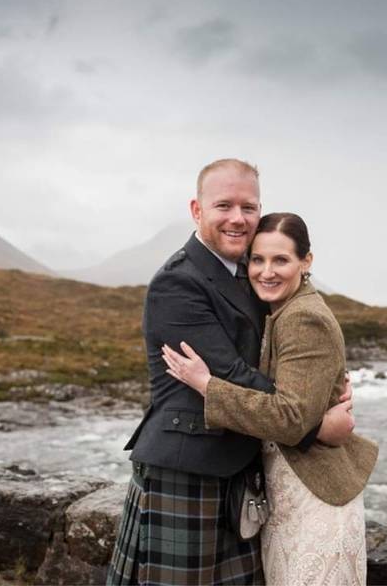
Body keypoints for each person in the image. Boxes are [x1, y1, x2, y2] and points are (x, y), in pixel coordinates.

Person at [107, 160, 356, 586]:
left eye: (249, 206)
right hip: (188, 469)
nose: (238, 218)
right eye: (224, 205)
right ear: (197, 209)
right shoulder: (178, 282)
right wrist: (314, 423)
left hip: (237, 466)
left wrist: (318, 386)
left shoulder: (248, 270)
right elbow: (233, 373)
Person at [163, 212, 378, 586]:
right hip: (290, 498)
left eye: (281, 260)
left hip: (314, 501)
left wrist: (207, 386)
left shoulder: (302, 317)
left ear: (305, 261)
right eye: (258, 260)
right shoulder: (277, 310)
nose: (266, 271)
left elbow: (289, 418)